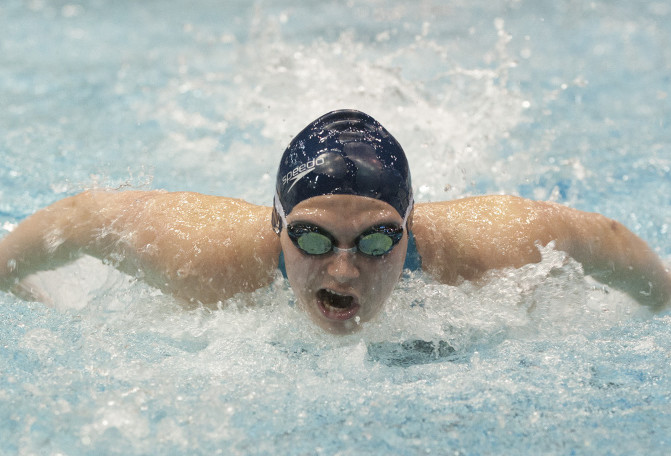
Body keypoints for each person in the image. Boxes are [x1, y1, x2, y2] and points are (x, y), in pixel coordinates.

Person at [0, 109, 669, 333]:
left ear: (411, 225)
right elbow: (83, 217)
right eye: (312, 238)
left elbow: (597, 238)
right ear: (275, 223)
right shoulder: (202, 257)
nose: (343, 270)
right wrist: (30, 299)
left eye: (379, 239)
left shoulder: (492, 246)